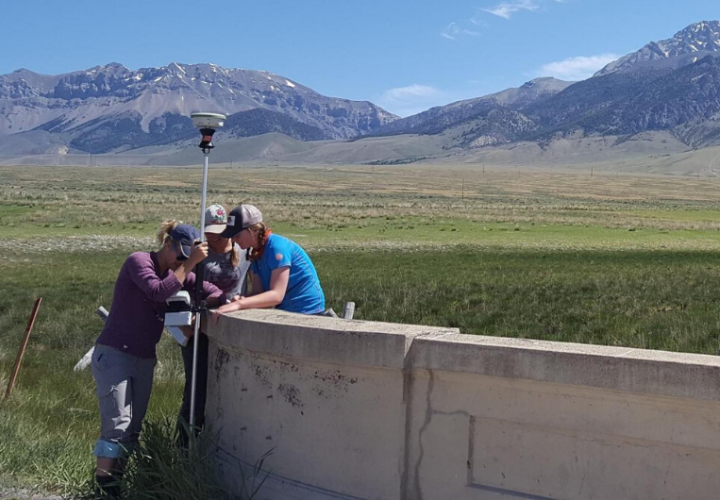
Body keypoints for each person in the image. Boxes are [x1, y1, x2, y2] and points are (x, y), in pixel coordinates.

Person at [91, 221, 223, 498]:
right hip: (115, 353)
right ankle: (103, 487)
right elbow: (156, 290)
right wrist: (191, 264)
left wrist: (206, 308)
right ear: (167, 244)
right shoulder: (138, 261)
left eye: (187, 258)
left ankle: (117, 486)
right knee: (118, 424)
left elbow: (213, 292)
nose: (182, 262)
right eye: (180, 255)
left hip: (144, 358)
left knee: (132, 428)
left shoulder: (178, 273)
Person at [178, 204, 250, 438]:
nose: (215, 237)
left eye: (220, 232)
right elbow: (179, 283)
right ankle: (185, 442)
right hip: (199, 328)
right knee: (196, 388)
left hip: (230, 325)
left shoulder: (243, 250)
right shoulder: (198, 253)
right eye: (210, 232)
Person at [212, 204, 325, 318]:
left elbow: (276, 295)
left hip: (308, 311)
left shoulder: (277, 248)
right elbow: (259, 292)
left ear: (254, 230)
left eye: (237, 235)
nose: (234, 240)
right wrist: (243, 299)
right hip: (288, 311)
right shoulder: (256, 253)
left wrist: (240, 304)